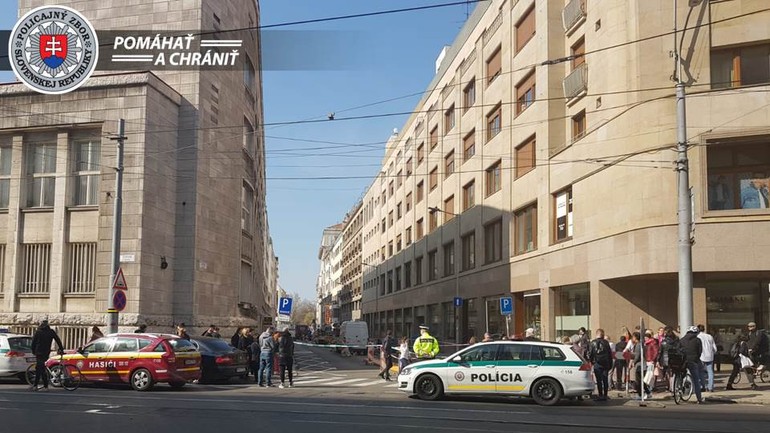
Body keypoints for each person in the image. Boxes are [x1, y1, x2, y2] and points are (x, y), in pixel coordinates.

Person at [30, 320, 64, 392]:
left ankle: (39, 386)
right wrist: (61, 349)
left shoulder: (38, 332)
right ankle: (39, 386)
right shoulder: (51, 332)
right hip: (46, 352)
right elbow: (58, 340)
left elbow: (33, 342)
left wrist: (33, 351)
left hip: (39, 352)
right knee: (41, 368)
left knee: (40, 369)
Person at [680, 326, 705, 404]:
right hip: (693, 360)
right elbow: (700, 351)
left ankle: (678, 389)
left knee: (680, 376)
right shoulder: (697, 340)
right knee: (696, 380)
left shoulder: (682, 340)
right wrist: (696, 358)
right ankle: (699, 398)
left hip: (682, 361)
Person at [587, 328, 612, 401]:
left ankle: (600, 394)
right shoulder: (606, 342)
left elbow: (590, 354)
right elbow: (609, 354)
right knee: (605, 379)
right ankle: (605, 395)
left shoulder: (593, 343)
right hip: (605, 363)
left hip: (597, 363)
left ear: (596, 334)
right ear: (603, 335)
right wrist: (610, 364)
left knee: (598, 380)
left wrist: (591, 362)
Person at [697, 324, 717, 393]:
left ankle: (703, 386)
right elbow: (715, 348)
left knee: (701, 372)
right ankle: (710, 387)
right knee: (710, 372)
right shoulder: (710, 336)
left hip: (701, 356)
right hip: (710, 356)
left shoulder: (698, 337)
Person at [631, 332, 651, 399]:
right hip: (642, 364)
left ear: (635, 337)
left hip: (639, 365)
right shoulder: (641, 344)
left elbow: (637, 355)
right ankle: (648, 393)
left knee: (639, 381)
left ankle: (640, 394)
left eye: (633, 337)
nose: (632, 338)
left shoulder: (638, 345)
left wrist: (633, 362)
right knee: (641, 381)